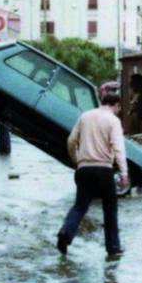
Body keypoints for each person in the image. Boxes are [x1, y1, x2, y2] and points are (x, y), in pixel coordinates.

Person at [56, 92, 128, 259]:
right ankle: (113, 246)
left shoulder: (85, 116)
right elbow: (118, 148)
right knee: (110, 209)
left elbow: (71, 141)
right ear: (115, 105)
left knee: (80, 205)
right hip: (103, 170)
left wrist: (76, 161)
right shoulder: (113, 121)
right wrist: (123, 172)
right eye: (119, 107)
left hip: (84, 169)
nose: (118, 111)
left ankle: (66, 232)